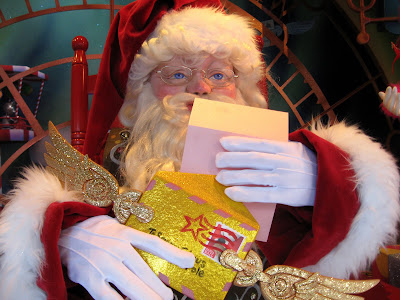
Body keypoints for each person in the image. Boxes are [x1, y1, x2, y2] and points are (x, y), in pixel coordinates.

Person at [0, 0, 399, 299]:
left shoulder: (293, 168)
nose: (200, 87)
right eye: (178, 73)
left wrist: (330, 179)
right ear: (141, 97)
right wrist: (61, 238)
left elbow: (349, 250)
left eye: (218, 74)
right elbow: (35, 234)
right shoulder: (104, 177)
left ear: (242, 89)